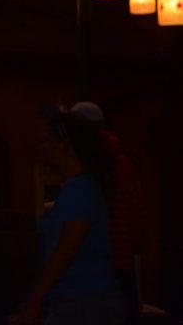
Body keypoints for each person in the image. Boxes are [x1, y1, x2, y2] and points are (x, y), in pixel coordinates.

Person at [8, 109, 126, 325]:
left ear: (66, 145)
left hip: (83, 300)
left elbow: (66, 249)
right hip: (79, 298)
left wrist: (35, 299)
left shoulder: (81, 189)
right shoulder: (77, 189)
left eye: (48, 141)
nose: (42, 148)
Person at [69, 101, 146, 324]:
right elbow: (137, 210)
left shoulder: (85, 165)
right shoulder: (121, 163)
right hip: (119, 260)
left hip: (95, 264)